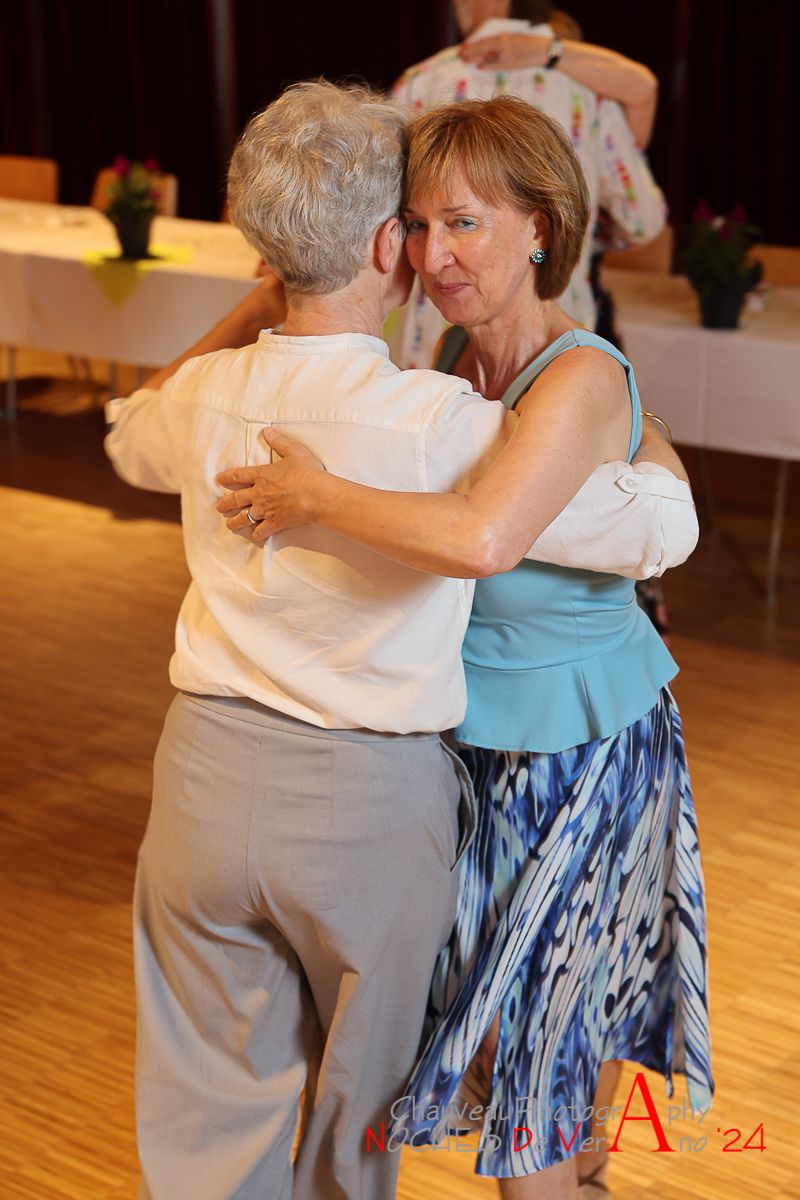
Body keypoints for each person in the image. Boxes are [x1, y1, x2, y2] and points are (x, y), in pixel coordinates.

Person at [104, 82, 696, 1200]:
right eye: (419, 225)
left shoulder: (501, 392)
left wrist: (307, 463)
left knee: (513, 1075)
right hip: (419, 777)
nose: (434, 253)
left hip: (531, 761)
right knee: (426, 1093)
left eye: (462, 222)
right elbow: (630, 523)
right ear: (386, 241)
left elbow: (129, 431)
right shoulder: (444, 400)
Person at [389, 0, 666, 370]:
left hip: (432, 328)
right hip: (554, 323)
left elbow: (384, 219)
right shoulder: (586, 90)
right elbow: (642, 220)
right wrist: (580, 239)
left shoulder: (420, 83)